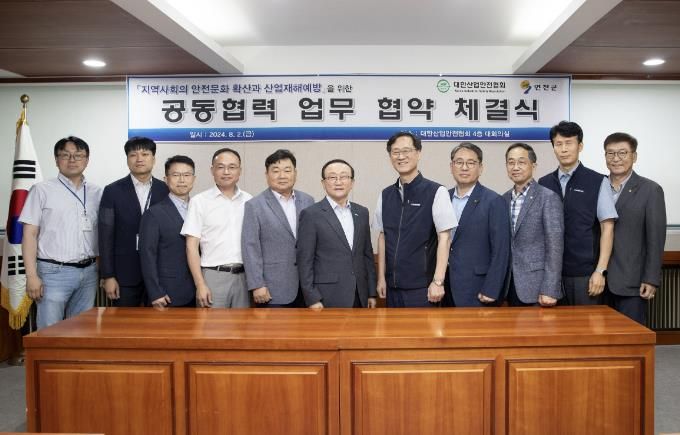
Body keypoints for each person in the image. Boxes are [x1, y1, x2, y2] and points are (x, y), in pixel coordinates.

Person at [20, 136, 102, 328]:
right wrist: (31, 276)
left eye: (78, 155)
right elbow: (29, 235)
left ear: (87, 160)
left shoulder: (97, 193)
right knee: (50, 331)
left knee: (82, 331)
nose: (72, 160)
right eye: (65, 155)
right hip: (53, 273)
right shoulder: (41, 190)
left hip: (89, 272)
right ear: (56, 160)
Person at [373, 131, 457, 307]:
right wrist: (381, 278)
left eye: (406, 151)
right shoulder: (385, 195)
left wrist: (438, 281)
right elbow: (382, 237)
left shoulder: (436, 192)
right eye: (395, 152)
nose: (401, 156)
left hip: (423, 288)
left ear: (418, 153)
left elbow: (445, 238)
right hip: (392, 288)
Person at [539, 121, 617, 305]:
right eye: (558, 144)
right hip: (551, 274)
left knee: (586, 322)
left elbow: (607, 227)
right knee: (552, 323)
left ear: (580, 146)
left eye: (569, 143)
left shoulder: (597, 181)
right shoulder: (544, 183)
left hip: (585, 274)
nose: (564, 149)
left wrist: (600, 271)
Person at [603, 132, 666, 324]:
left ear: (634, 156)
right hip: (599, 281)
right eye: (610, 153)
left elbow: (655, 239)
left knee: (630, 337)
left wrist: (651, 279)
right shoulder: (598, 186)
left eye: (622, 153)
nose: (616, 158)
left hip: (632, 281)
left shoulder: (650, 190)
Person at [99, 136, 169, 306]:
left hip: (159, 273)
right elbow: (105, 236)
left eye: (145, 154)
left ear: (153, 159)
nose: (139, 159)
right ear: (127, 159)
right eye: (133, 155)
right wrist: (108, 276)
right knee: (124, 321)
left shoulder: (165, 190)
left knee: (159, 321)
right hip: (125, 275)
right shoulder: (112, 191)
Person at [297, 159, 377, 308]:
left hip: (360, 294)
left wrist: (371, 292)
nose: (338, 182)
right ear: (323, 183)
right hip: (326, 296)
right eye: (332, 177)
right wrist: (312, 298)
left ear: (352, 182)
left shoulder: (362, 212)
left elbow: (367, 255)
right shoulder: (311, 214)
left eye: (344, 176)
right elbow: (304, 260)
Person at [242, 149, 314, 307]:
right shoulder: (255, 205)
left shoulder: (308, 201)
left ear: (295, 173)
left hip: (306, 287)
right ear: (266, 174)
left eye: (287, 170)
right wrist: (257, 284)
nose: (282, 176)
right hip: (273, 287)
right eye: (275, 171)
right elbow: (250, 247)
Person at [182, 148, 252, 308]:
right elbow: (191, 247)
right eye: (221, 167)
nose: (226, 172)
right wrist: (200, 284)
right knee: (211, 324)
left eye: (232, 167)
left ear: (240, 171)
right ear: (212, 170)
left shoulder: (249, 201)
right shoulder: (199, 201)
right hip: (213, 277)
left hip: (244, 278)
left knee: (243, 324)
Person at [446, 142, 510, 307]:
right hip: (445, 287)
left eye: (471, 163)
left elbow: (501, 250)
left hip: (478, 287)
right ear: (451, 166)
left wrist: (492, 288)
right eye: (459, 162)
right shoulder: (443, 198)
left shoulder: (494, 201)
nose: (464, 167)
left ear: (480, 168)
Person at [503, 143, 564, 306]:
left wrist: (550, 289)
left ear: (533, 166)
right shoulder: (503, 199)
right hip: (508, 286)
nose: (515, 167)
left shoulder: (548, 197)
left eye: (521, 162)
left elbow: (555, 247)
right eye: (511, 162)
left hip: (537, 286)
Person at [139, 155, 197, 308]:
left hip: (198, 290)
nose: (182, 180)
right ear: (166, 179)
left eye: (187, 175)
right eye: (176, 175)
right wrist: (155, 292)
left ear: (194, 179)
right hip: (167, 293)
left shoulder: (200, 209)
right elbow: (147, 255)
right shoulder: (153, 214)